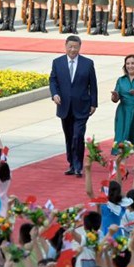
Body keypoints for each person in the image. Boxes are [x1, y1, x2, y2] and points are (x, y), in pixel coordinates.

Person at [50, 36, 98, 177]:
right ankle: (71, 164)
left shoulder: (87, 63)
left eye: (75, 47)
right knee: (69, 137)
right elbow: (53, 81)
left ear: (79, 47)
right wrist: (55, 94)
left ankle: (78, 166)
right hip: (64, 106)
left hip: (82, 106)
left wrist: (94, 103)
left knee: (78, 136)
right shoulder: (57, 63)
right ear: (65, 46)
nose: (72, 50)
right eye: (70, 46)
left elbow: (93, 85)